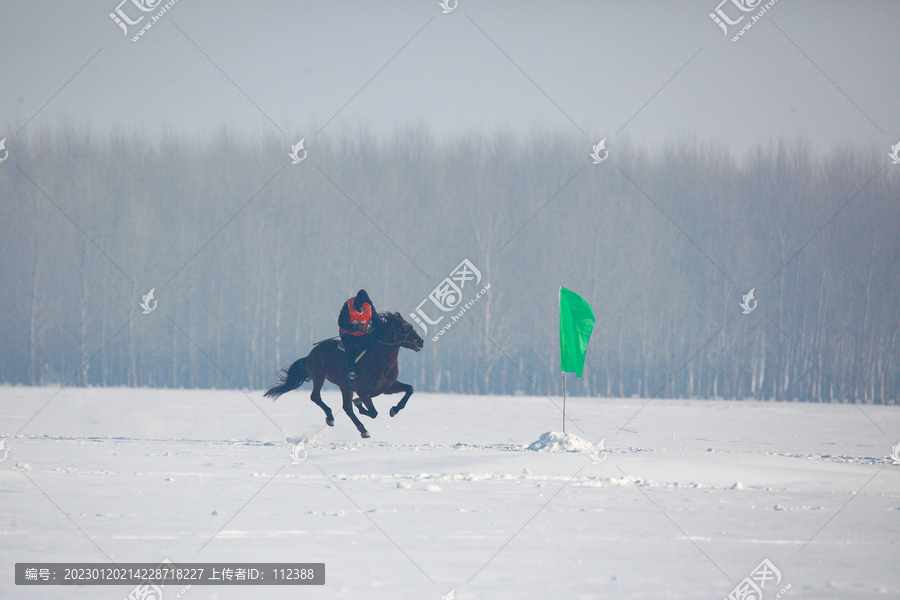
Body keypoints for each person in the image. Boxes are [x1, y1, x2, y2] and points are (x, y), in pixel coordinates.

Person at [338, 289, 377, 380]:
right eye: (362, 303)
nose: (364, 306)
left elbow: (376, 321)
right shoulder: (348, 305)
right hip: (347, 335)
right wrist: (354, 327)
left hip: (362, 335)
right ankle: (351, 369)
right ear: (357, 301)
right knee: (351, 347)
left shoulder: (369, 306)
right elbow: (341, 322)